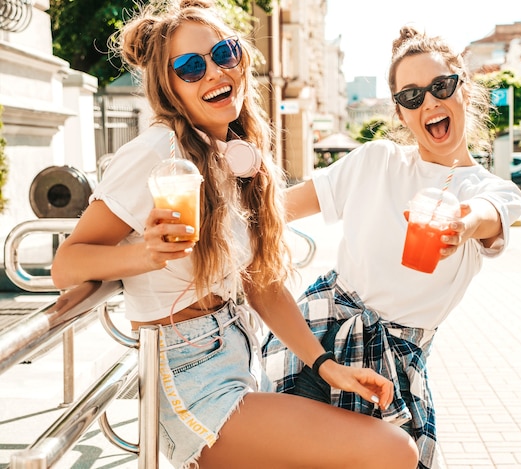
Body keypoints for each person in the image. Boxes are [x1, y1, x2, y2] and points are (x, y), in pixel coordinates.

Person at [50, 2, 420, 468]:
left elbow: (260, 283)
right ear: (170, 88)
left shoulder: (235, 151)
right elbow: (68, 263)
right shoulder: (157, 151)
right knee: (390, 451)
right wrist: (146, 255)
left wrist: (327, 366)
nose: (213, 72)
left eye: (223, 53)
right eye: (189, 66)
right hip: (190, 378)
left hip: (239, 354)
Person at [262, 25, 521, 469]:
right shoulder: (375, 160)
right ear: (401, 114)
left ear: (463, 88)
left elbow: (487, 215)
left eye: (441, 86)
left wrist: (460, 226)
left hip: (395, 363)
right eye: (412, 96)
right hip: (317, 334)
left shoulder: (493, 189)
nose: (430, 102)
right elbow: (278, 209)